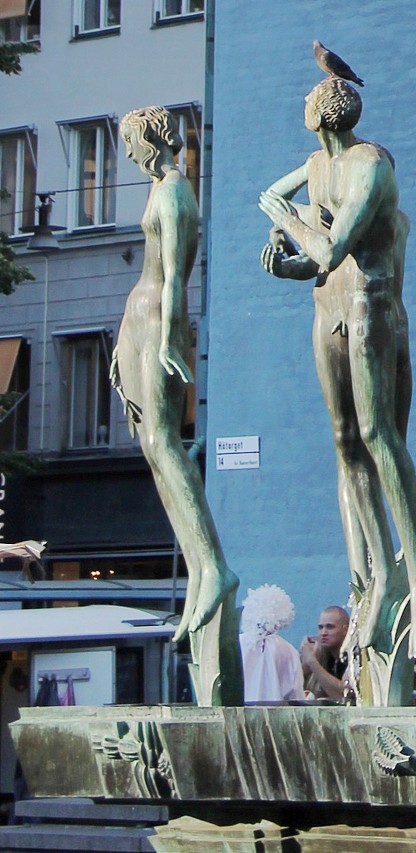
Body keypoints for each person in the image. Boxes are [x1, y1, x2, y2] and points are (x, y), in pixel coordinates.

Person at [259, 76, 416, 661]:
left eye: (307, 98)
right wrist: (286, 263)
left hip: (371, 307)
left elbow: (332, 247)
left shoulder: (371, 166)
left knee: (380, 439)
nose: (300, 103)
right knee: (344, 443)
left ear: (324, 111)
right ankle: (376, 574)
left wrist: (288, 221)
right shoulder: (318, 165)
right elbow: (305, 247)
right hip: (329, 309)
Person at [110, 106, 238, 643]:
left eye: (131, 142)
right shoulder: (162, 188)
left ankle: (213, 568)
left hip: (158, 319)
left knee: (165, 443)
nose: (130, 154)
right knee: (153, 448)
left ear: (153, 138)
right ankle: (198, 572)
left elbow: (174, 277)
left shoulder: (174, 192)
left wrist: (168, 339)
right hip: (140, 321)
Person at [239, 584, 304, 703]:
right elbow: (295, 695)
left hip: (239, 712)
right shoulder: (288, 650)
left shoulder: (238, 644)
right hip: (276, 715)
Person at [300, 605, 350, 701]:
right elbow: (291, 688)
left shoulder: (353, 656)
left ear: (345, 629)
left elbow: (345, 695)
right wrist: (305, 666)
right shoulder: (320, 653)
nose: (323, 633)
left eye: (330, 627)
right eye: (320, 627)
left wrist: (312, 662)